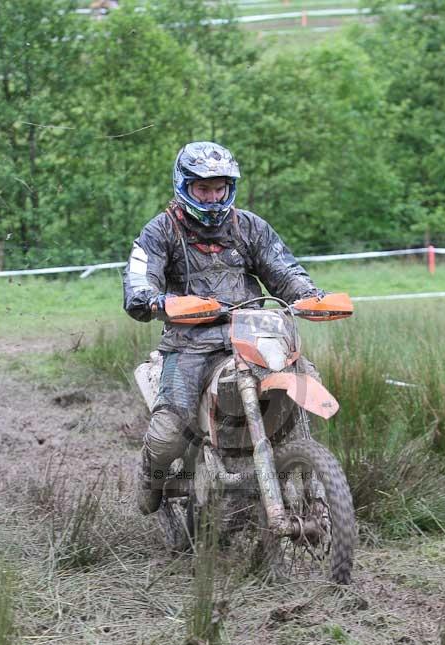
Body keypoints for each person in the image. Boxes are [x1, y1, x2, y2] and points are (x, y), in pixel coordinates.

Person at [123, 141, 325, 514]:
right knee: (170, 433)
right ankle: (152, 475)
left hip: (252, 333)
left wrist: (310, 296)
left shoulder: (249, 226)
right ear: (184, 186)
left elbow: (283, 270)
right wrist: (155, 300)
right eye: (203, 188)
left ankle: (300, 466)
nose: (213, 198)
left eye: (220, 188)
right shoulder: (160, 231)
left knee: (304, 380)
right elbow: (138, 282)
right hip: (189, 342)